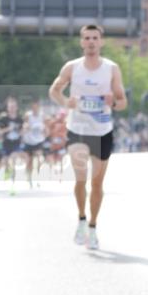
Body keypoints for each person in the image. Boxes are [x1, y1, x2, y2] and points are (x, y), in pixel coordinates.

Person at [49, 24, 127, 250]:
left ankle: (93, 226)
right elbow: (54, 90)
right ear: (81, 42)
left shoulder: (111, 68)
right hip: (78, 129)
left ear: (101, 42)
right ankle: (81, 219)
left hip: (102, 131)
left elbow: (122, 102)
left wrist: (111, 101)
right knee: (81, 178)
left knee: (97, 183)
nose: (91, 42)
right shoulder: (72, 68)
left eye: (95, 38)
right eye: (87, 38)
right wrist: (66, 103)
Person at [22, 100, 47, 187]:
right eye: (33, 107)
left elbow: (45, 127)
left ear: (38, 107)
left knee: (39, 158)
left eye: (36, 107)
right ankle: (28, 177)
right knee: (29, 161)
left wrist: (45, 132)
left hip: (38, 141)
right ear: (31, 107)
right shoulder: (28, 115)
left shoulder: (42, 115)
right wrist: (26, 127)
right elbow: (24, 124)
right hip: (29, 141)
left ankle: (38, 176)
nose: (35, 109)